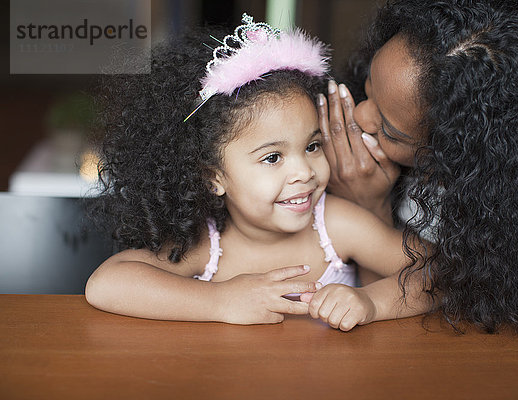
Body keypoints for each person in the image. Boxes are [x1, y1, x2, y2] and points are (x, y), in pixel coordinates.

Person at [85, 15, 433, 331]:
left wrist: (372, 302)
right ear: (213, 178)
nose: (304, 172)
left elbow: (440, 273)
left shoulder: (335, 225)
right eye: (272, 158)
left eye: (312, 147)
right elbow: (107, 283)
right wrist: (220, 300)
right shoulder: (208, 244)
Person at [315, 0, 518, 337]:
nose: (361, 115)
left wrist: (367, 206)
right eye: (370, 87)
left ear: (457, 153)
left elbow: (396, 308)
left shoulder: (514, 222)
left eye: (391, 131)